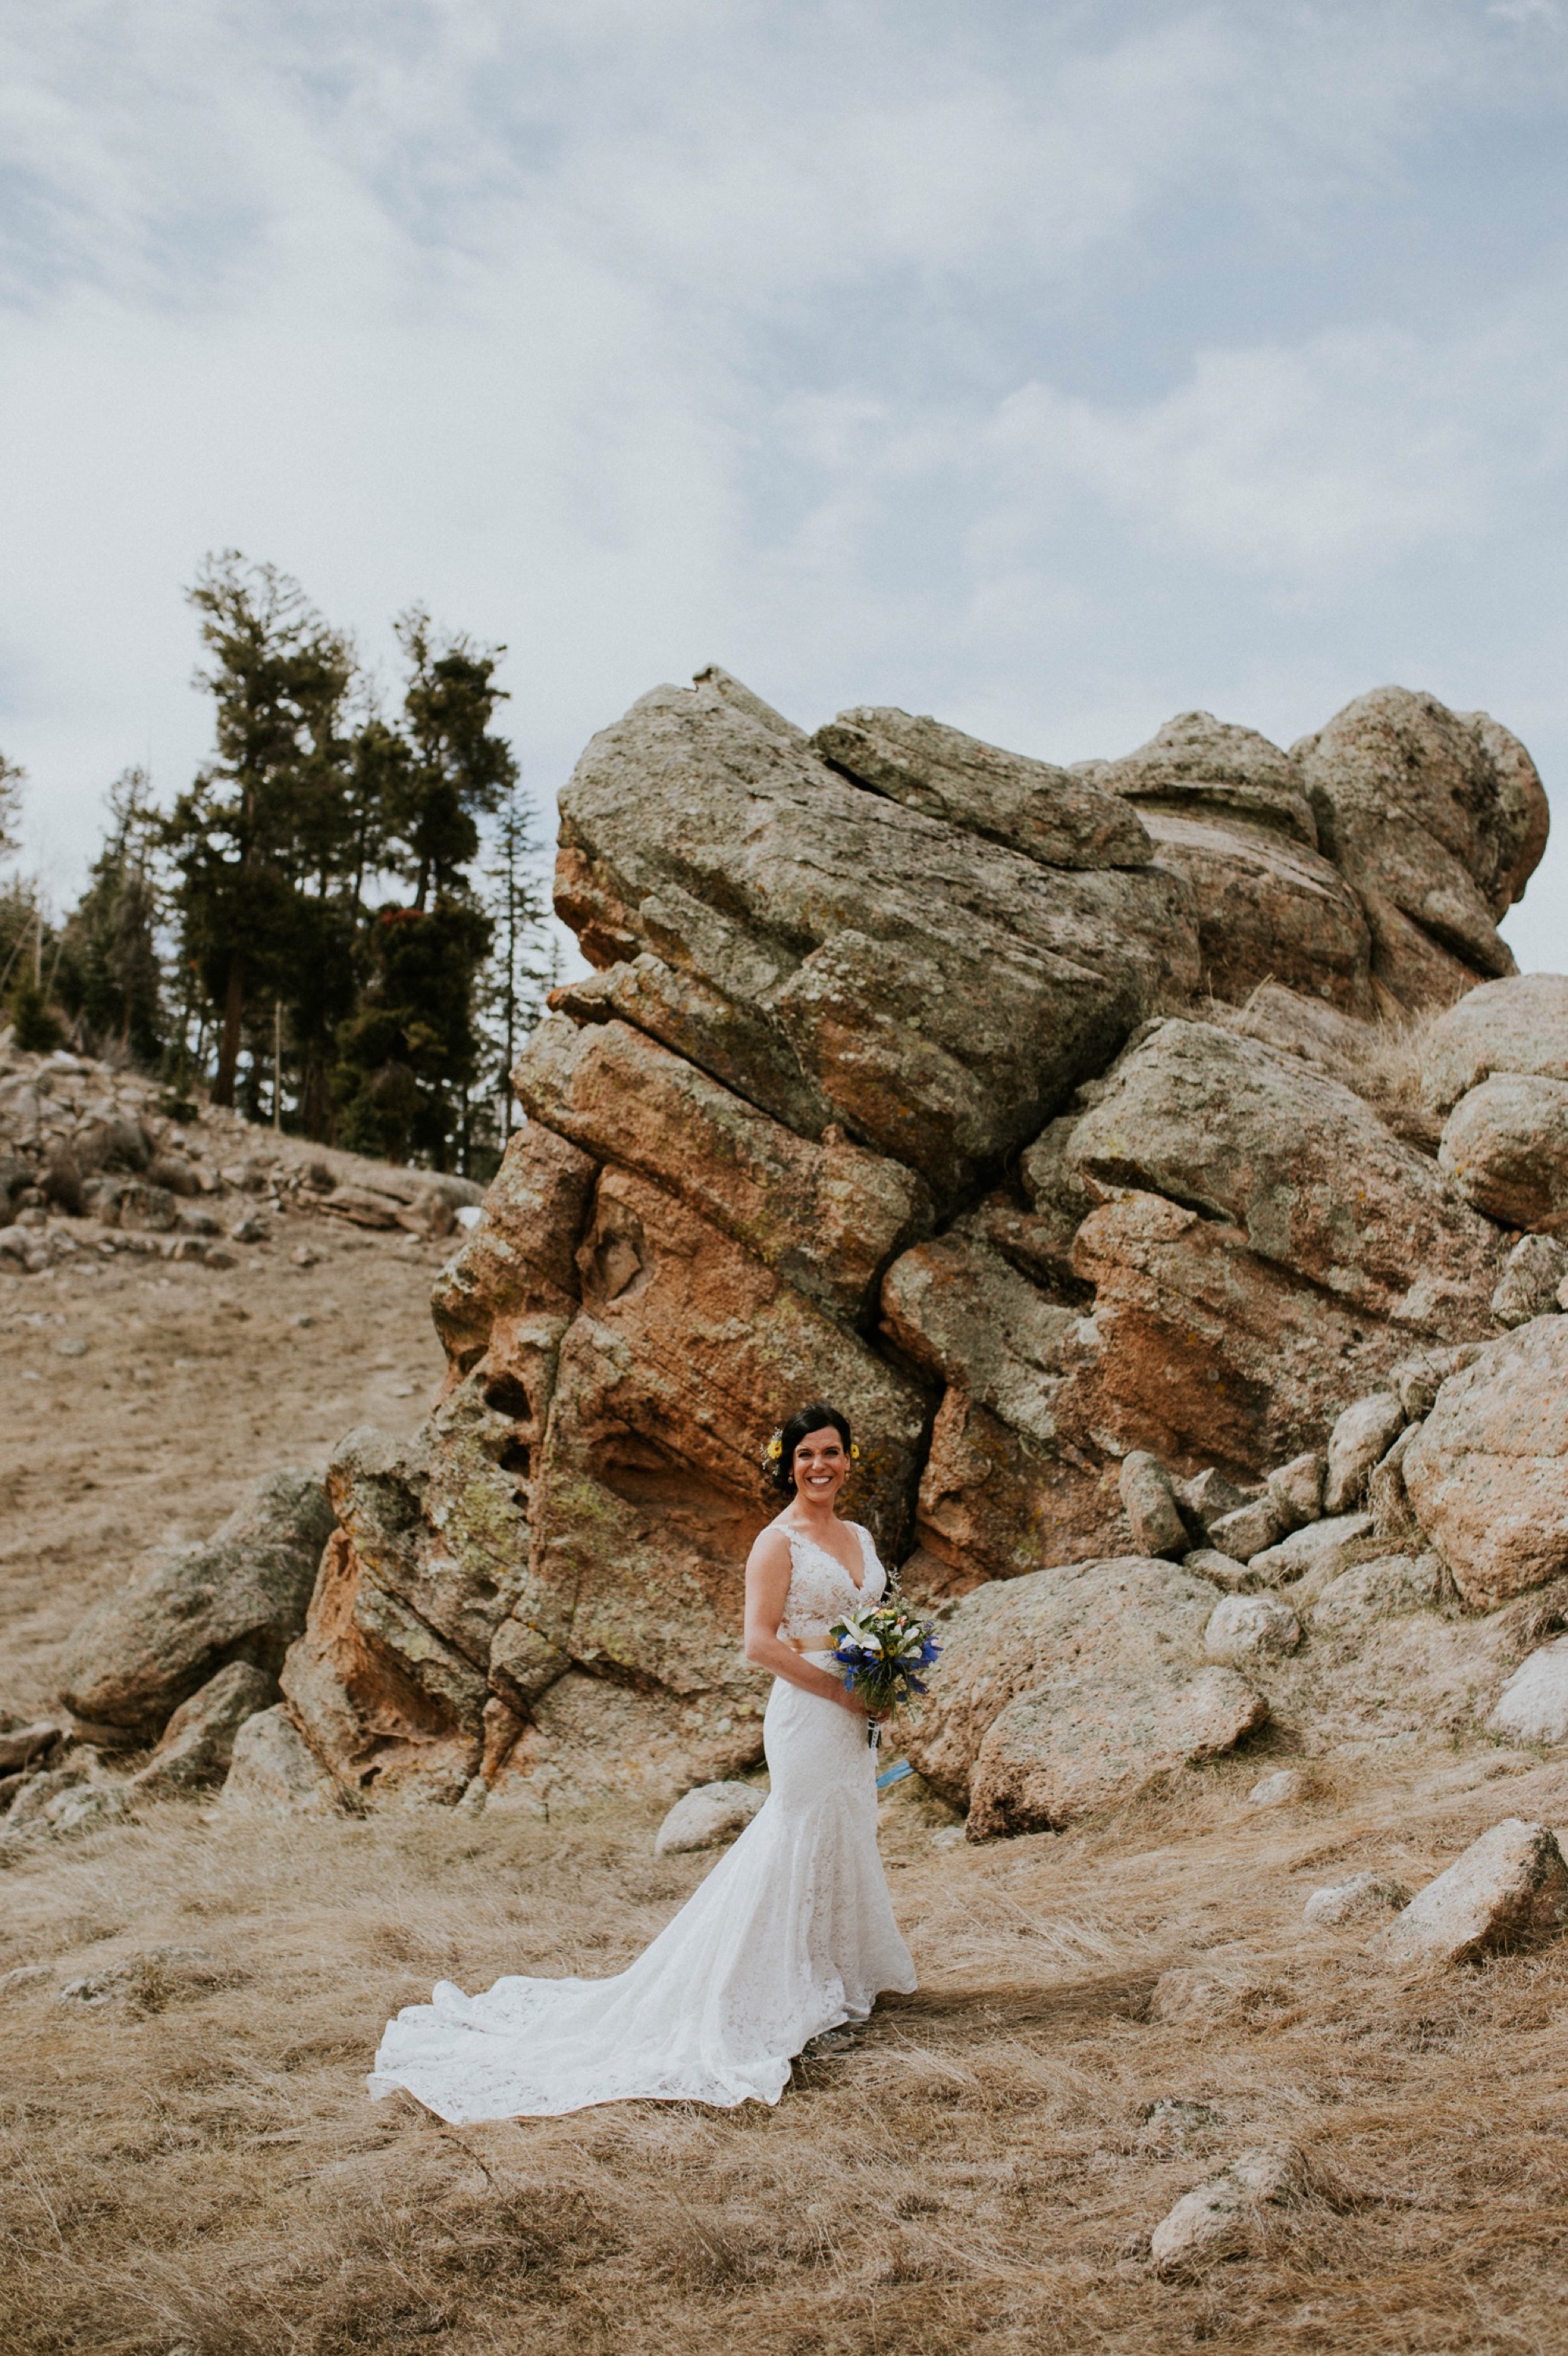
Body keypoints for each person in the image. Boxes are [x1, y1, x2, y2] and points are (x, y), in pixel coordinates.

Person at [368, 1401, 916, 2121]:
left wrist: (881, 1681)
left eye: (832, 1452)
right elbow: (759, 1643)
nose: (820, 1465)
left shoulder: (858, 1534)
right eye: (806, 1453)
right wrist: (841, 1694)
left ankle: (832, 1976)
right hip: (809, 1712)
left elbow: (872, 1620)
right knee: (796, 1836)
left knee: (846, 1828)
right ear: (787, 1463)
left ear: (849, 1460)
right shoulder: (775, 1543)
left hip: (851, 1714)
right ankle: (761, 1992)